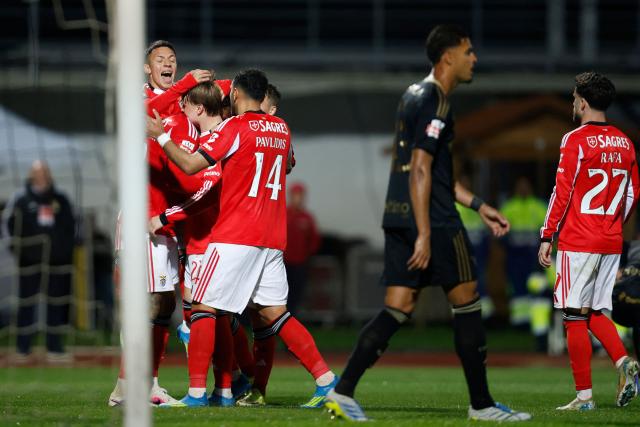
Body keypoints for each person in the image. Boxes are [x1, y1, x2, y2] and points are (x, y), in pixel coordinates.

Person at [324, 25, 531, 422]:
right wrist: (425, 233)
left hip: (398, 215)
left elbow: (429, 171)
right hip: (433, 221)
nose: (475, 59)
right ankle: (483, 405)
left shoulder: (412, 95)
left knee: (397, 307)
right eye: (468, 51)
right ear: (447, 56)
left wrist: (479, 203)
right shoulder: (437, 100)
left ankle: (342, 389)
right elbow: (421, 169)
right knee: (467, 299)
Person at [147, 69, 337, 409]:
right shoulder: (282, 128)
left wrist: (162, 137)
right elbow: (288, 164)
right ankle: (326, 381)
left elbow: (191, 165)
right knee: (275, 314)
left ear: (234, 93)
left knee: (202, 307)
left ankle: (195, 395)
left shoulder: (234, 127)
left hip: (236, 235)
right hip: (272, 237)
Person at [108, 39, 212, 407]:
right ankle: (126, 387)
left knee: (165, 305)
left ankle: (147, 384)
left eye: (173, 59)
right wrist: (184, 83)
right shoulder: (141, 97)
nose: (168, 64)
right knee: (149, 305)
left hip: (164, 223)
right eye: (160, 60)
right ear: (146, 68)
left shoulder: (183, 105)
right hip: (141, 219)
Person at [538, 71, 640, 410]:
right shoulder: (626, 142)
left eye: (572, 99)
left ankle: (584, 397)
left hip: (579, 239)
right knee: (595, 311)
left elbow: (561, 193)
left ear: (582, 101)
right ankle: (625, 363)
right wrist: (612, 225)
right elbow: (632, 193)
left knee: (573, 316)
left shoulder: (575, 140)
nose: (572, 104)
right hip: (610, 240)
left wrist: (547, 235)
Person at [2, 160, 75, 362]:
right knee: (26, 303)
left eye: (44, 171)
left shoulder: (60, 199)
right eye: (37, 172)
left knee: (56, 303)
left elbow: (72, 227)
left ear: (49, 174)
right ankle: (22, 348)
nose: (41, 175)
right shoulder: (21, 199)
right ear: (31, 175)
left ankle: (55, 348)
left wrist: (64, 251)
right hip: (29, 262)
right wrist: (21, 251)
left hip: (57, 261)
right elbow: (9, 226)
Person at [501, 176, 548, 328]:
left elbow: (550, 229)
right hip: (514, 254)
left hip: (533, 255)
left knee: (534, 285)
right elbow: (500, 231)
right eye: (520, 186)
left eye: (525, 185)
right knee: (516, 286)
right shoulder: (509, 207)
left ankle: (533, 321)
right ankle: (519, 322)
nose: (523, 189)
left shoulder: (539, 206)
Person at [284, 182, 321, 316]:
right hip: (282, 263)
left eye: (300, 195)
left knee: (296, 293)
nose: (298, 198)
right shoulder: (283, 214)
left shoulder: (307, 218)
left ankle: (291, 317)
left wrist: (307, 257)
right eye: (295, 195)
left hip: (300, 263)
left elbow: (314, 240)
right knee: (281, 293)